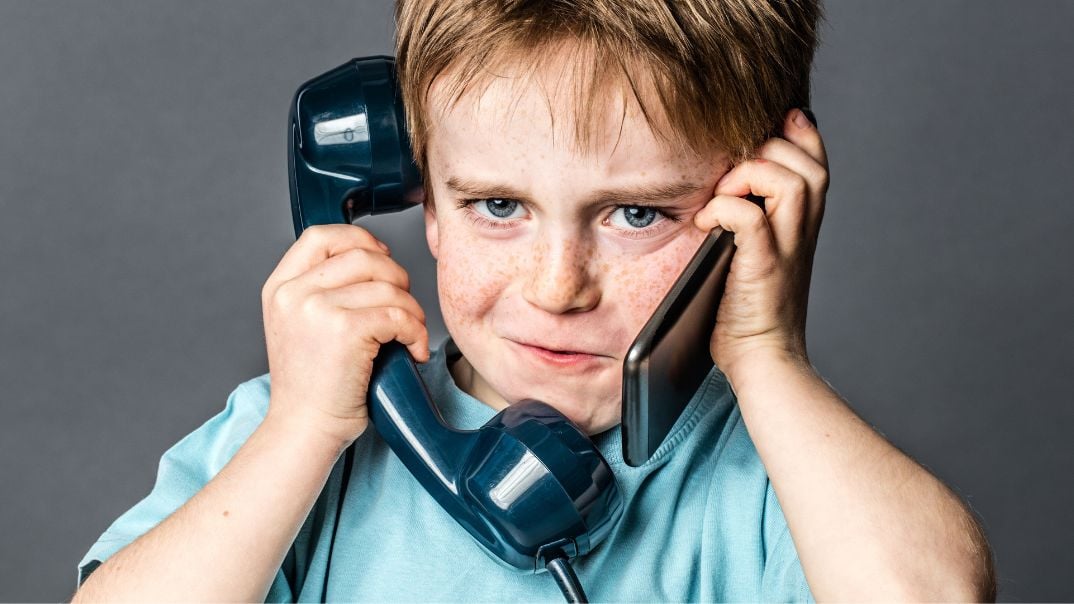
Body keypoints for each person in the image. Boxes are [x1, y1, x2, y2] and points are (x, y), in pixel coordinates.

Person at [73, 0, 996, 600]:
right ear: (422, 202)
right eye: (498, 206)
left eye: (637, 214)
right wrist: (301, 435)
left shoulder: (776, 480)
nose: (558, 287)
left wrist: (768, 358)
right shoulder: (300, 434)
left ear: (751, 208)